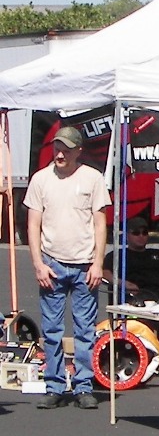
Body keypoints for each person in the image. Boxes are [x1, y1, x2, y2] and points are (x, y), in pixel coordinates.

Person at [24, 126, 111, 409]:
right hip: (52, 264)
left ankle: (84, 385)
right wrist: (38, 264)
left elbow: (100, 223)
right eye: (57, 148)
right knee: (52, 330)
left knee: (85, 329)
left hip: (85, 265)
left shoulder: (92, 178)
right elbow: (33, 225)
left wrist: (98, 263)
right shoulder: (40, 180)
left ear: (78, 151)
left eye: (66, 149)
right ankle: (55, 385)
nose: (60, 154)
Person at [102, 216, 159, 370]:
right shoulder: (117, 256)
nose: (141, 236)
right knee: (143, 312)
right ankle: (147, 356)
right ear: (126, 235)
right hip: (136, 296)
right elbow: (105, 274)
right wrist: (122, 283)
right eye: (136, 232)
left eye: (144, 232)